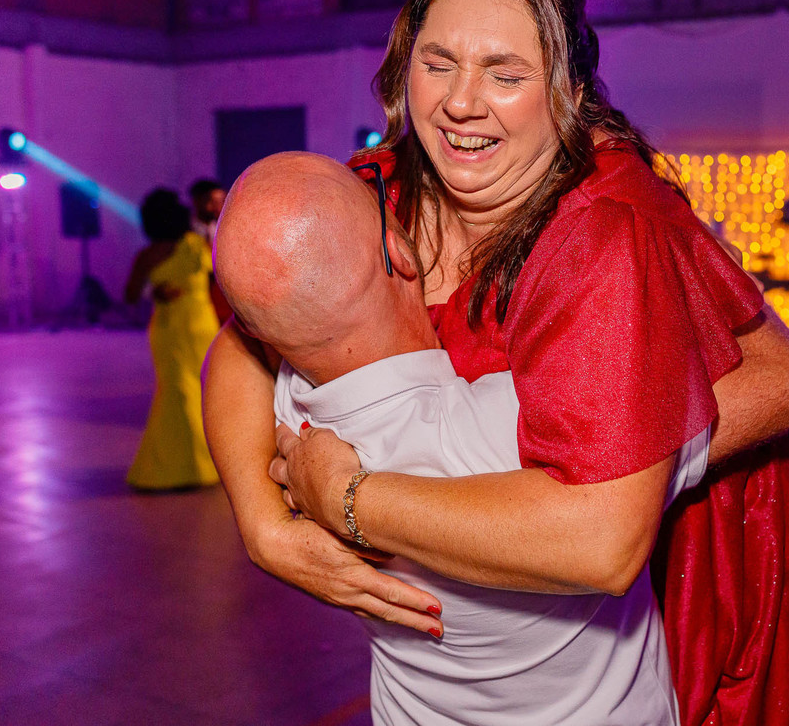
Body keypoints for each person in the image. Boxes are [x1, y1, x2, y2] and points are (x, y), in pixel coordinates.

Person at [203, 0, 789, 725]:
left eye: (505, 73)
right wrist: (261, 522)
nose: (460, 102)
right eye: (438, 62)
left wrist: (609, 458)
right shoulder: (376, 191)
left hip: (703, 543)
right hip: (494, 616)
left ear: (567, 88)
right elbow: (248, 337)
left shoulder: (611, 217)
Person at [214, 150, 707, 724]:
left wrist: (265, 522)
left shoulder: (285, 415)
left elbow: (234, 344)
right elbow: (783, 380)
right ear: (400, 252)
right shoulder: (506, 421)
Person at [124, 188, 220, 490]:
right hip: (203, 326)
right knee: (200, 392)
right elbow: (217, 277)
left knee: (177, 393)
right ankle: (204, 465)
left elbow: (129, 295)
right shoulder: (196, 245)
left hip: (171, 330)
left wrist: (155, 292)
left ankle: (173, 467)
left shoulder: (148, 255)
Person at [188, 177, 233, 323]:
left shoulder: (226, 229)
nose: (217, 207)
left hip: (222, 300)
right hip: (194, 304)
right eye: (211, 201)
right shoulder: (186, 232)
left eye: (221, 201)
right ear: (196, 201)